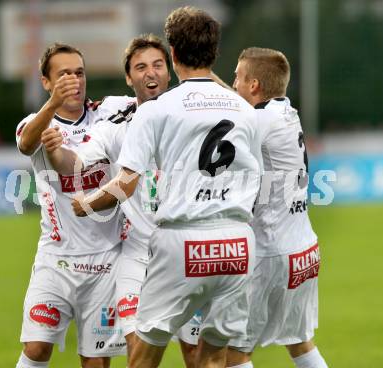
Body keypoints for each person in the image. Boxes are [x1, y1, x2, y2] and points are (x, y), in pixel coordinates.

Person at [70, 7, 262, 368]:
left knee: (143, 357)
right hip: (237, 244)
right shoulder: (245, 110)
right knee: (213, 357)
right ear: (215, 53)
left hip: (183, 242)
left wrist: (86, 204)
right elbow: (257, 181)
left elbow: (126, 183)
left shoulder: (157, 110)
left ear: (172, 55)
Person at [43, 34, 199, 367]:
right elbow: (76, 161)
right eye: (140, 67)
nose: (150, 73)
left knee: (197, 355)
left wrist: (88, 204)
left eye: (158, 65)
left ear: (169, 71)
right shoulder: (115, 122)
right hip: (137, 254)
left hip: (186, 250)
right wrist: (55, 150)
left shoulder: (191, 117)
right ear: (129, 78)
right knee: (139, 353)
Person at [15, 43, 127, 368]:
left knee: (95, 362)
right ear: (46, 81)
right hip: (56, 259)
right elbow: (25, 145)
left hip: (106, 259)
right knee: (36, 348)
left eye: (79, 73)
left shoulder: (108, 117)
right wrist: (53, 104)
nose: (74, 80)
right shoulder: (36, 123)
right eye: (63, 74)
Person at [227, 47, 329, 368]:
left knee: (234, 352)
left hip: (271, 254)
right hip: (304, 249)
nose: (233, 84)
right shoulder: (286, 111)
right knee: (300, 343)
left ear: (254, 85)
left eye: (237, 78)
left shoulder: (258, 120)